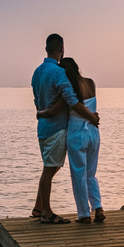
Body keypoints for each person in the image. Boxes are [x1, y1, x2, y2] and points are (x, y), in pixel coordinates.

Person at [31, 34, 99, 224]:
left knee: (48, 167)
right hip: (57, 128)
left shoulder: (37, 72)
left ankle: (38, 208)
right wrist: (91, 116)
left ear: (46, 49)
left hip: (43, 128)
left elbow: (37, 100)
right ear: (62, 48)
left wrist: (41, 113)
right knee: (50, 170)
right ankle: (46, 212)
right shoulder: (59, 73)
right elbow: (71, 101)